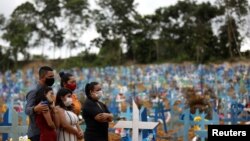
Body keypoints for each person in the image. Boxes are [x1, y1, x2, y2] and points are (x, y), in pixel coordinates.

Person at [25, 66, 55, 141]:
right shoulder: (34, 91)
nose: (52, 79)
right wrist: (35, 109)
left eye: (53, 76)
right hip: (37, 133)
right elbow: (27, 110)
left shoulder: (47, 89)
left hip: (47, 131)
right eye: (50, 76)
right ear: (42, 77)